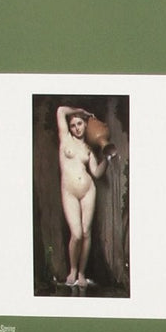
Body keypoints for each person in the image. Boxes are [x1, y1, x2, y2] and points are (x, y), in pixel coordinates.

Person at [55, 104, 106, 288]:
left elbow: (97, 173)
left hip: (88, 190)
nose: (76, 128)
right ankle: (73, 270)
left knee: (85, 232)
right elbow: (61, 110)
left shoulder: (88, 149)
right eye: (73, 125)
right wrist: (81, 112)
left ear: (85, 125)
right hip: (69, 191)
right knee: (76, 234)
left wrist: (107, 159)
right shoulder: (65, 138)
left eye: (79, 123)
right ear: (69, 128)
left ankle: (82, 273)